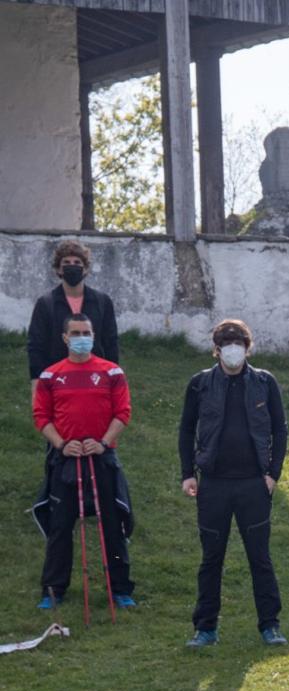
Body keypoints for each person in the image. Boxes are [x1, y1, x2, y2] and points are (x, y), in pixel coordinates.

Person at [178, 319, 288, 647]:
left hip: (254, 484)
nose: (232, 348)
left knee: (260, 557)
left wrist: (273, 474)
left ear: (247, 346)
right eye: (226, 342)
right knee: (212, 558)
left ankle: (270, 625)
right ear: (216, 349)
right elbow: (186, 430)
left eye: (238, 341)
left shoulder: (264, 383)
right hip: (213, 485)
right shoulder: (200, 384)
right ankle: (205, 628)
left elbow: (280, 430)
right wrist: (188, 474)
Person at [32, 314, 136, 610]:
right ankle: (53, 589)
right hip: (66, 458)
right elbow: (42, 417)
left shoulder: (112, 372)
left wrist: (102, 442)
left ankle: (120, 589)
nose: (81, 337)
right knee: (60, 526)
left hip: (102, 456)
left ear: (93, 335)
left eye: (86, 332)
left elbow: (123, 413)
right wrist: (62, 445)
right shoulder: (51, 375)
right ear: (65, 337)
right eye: (75, 332)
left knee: (112, 524)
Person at [27, 240, 120, 398]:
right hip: (58, 380)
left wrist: (114, 378)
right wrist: (37, 384)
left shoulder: (102, 302)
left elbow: (111, 342)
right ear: (58, 269)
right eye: (66, 262)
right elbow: (36, 346)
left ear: (85, 270)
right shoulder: (46, 303)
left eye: (77, 262)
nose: (72, 265)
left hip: (95, 378)